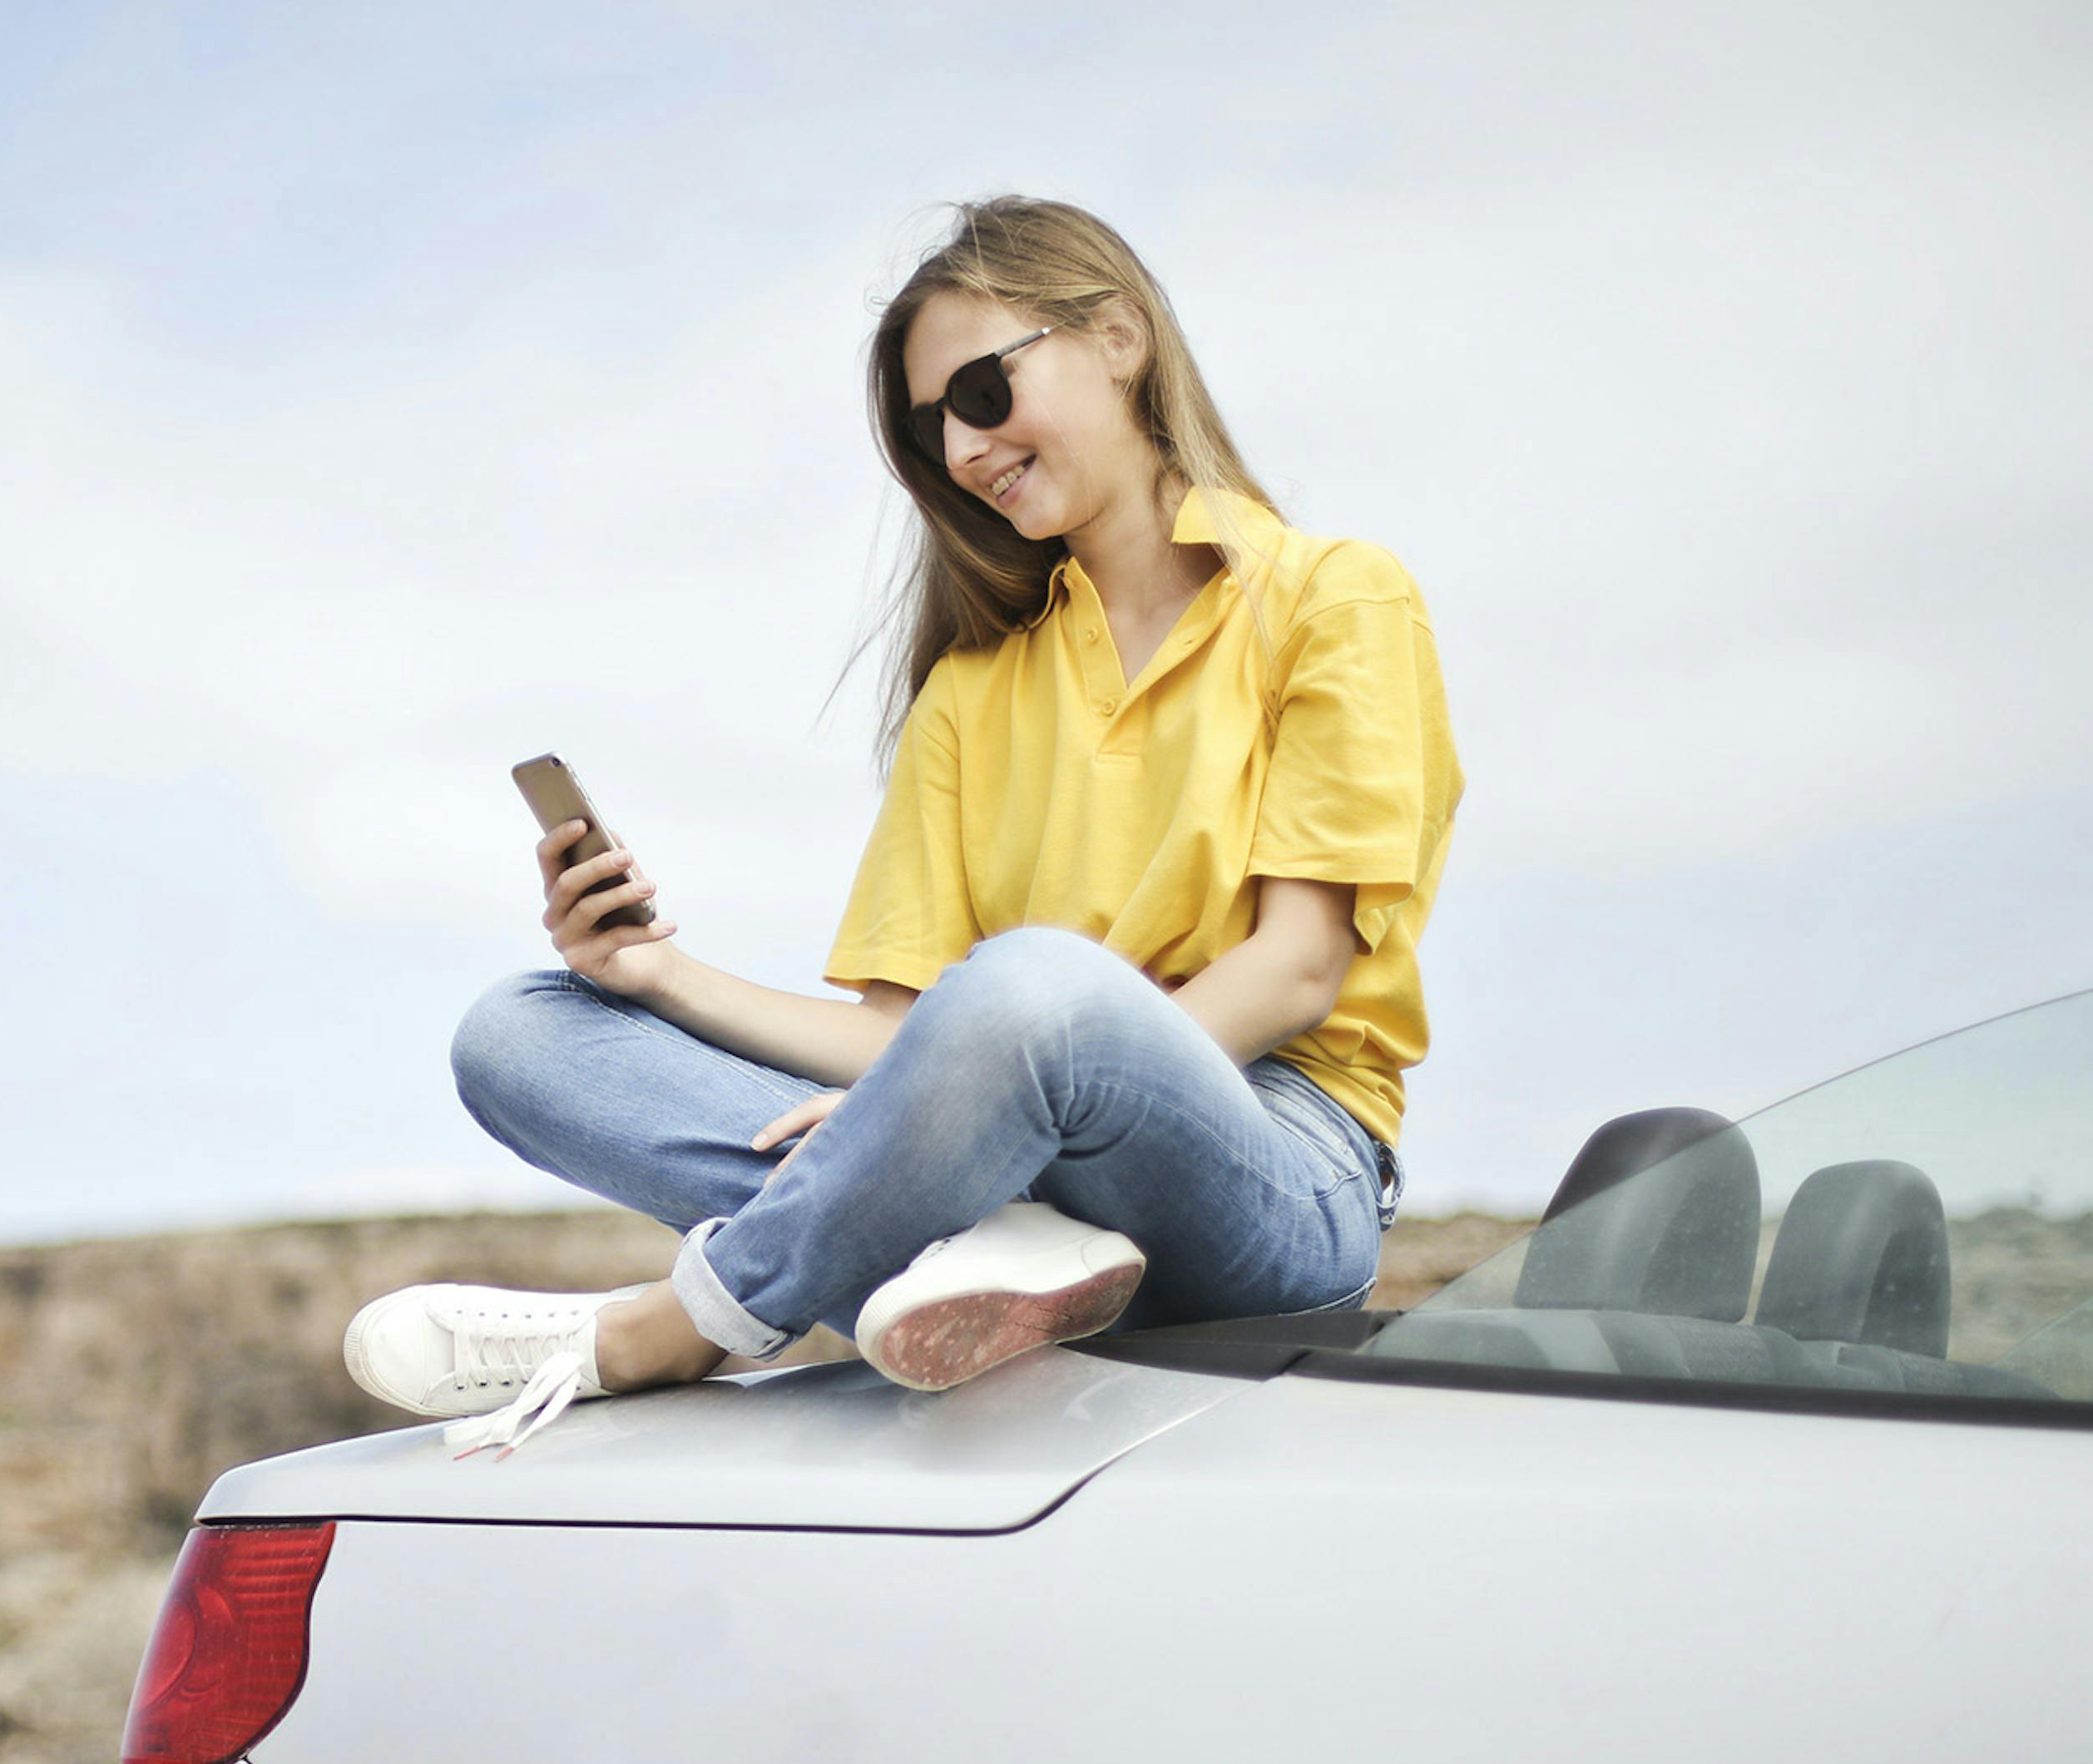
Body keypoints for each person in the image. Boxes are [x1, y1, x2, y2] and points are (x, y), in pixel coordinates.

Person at [344, 195, 1465, 1455]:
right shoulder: (972, 693)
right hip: (1008, 1163)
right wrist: (658, 975)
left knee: (1040, 990)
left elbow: (1299, 966)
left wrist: (974, 1101)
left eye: (982, 392)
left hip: (1274, 1163)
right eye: (933, 430)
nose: (966, 446)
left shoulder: (1336, 597)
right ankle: (978, 1249)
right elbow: (900, 1037)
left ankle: (673, 1326)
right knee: (519, 1033)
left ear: (1117, 337)